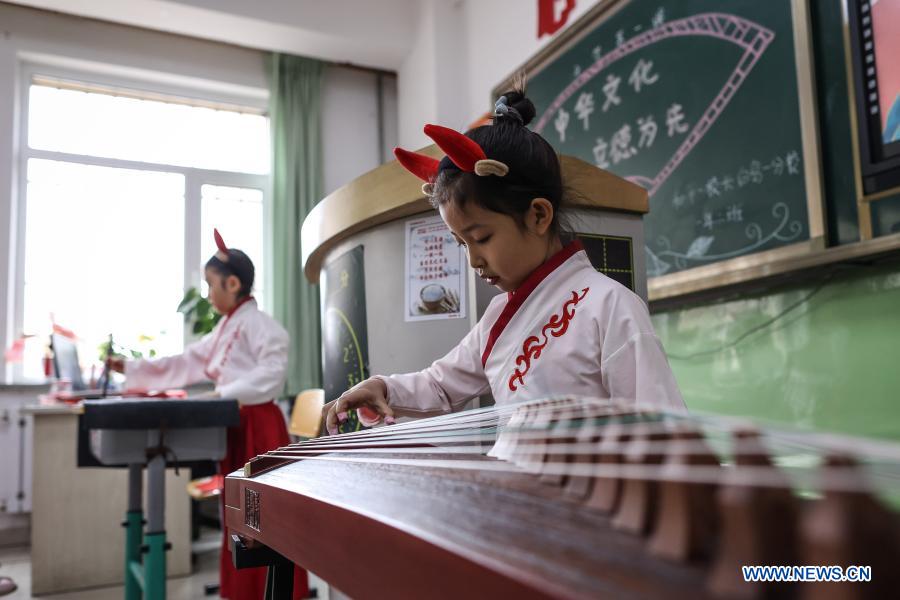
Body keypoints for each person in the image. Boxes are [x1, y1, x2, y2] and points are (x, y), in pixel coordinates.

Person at [325, 89, 685, 435]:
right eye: (461, 243)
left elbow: (661, 431)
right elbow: (440, 386)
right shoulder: (498, 316)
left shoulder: (609, 306)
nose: (473, 259)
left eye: (481, 238)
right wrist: (383, 389)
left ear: (539, 216)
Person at [109, 229, 307, 600]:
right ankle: (242, 591)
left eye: (211, 285)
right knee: (239, 514)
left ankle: (271, 591)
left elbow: (271, 374)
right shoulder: (226, 326)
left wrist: (223, 393)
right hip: (235, 421)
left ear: (233, 283)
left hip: (258, 426)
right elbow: (188, 361)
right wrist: (133, 368)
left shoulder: (262, 326)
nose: (208, 293)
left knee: (260, 513)